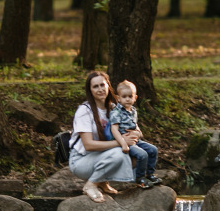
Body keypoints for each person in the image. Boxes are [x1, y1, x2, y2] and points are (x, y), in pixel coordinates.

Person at [68, 71, 136, 202]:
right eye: (95, 86)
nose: (100, 89)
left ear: (108, 86)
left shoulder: (113, 108)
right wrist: (121, 142)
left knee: (136, 154)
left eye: (102, 85)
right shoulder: (84, 111)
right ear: (90, 91)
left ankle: (102, 182)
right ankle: (91, 184)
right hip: (81, 160)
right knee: (119, 153)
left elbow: (130, 128)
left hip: (102, 155)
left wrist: (135, 134)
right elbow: (89, 145)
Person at [110, 80, 162, 188]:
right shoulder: (116, 112)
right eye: (124, 96)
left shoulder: (133, 110)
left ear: (135, 98)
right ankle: (139, 178)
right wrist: (123, 143)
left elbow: (135, 125)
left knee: (153, 150)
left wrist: (139, 132)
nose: (127, 99)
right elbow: (114, 129)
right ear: (118, 98)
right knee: (142, 154)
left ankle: (150, 174)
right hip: (125, 142)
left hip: (136, 140)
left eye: (130, 96)